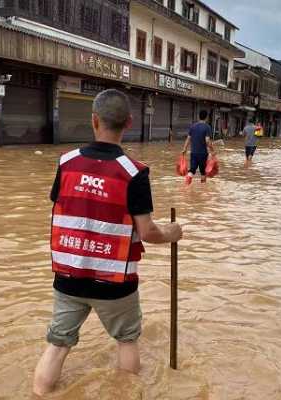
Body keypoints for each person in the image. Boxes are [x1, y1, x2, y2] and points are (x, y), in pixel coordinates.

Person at [33, 89, 183, 396]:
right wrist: (172, 233)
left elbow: (65, 207)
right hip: (115, 281)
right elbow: (148, 232)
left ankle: (39, 393)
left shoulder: (66, 163)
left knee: (57, 346)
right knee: (126, 341)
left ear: (93, 120)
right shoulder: (133, 172)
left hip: (69, 276)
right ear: (129, 123)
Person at [181, 110, 215, 185]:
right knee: (203, 171)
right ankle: (202, 190)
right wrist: (212, 150)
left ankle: (186, 185)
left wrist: (184, 149)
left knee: (192, 169)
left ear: (198, 116)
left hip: (193, 153)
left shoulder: (193, 126)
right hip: (202, 153)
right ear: (206, 117)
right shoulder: (207, 127)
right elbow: (207, 141)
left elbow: (188, 138)